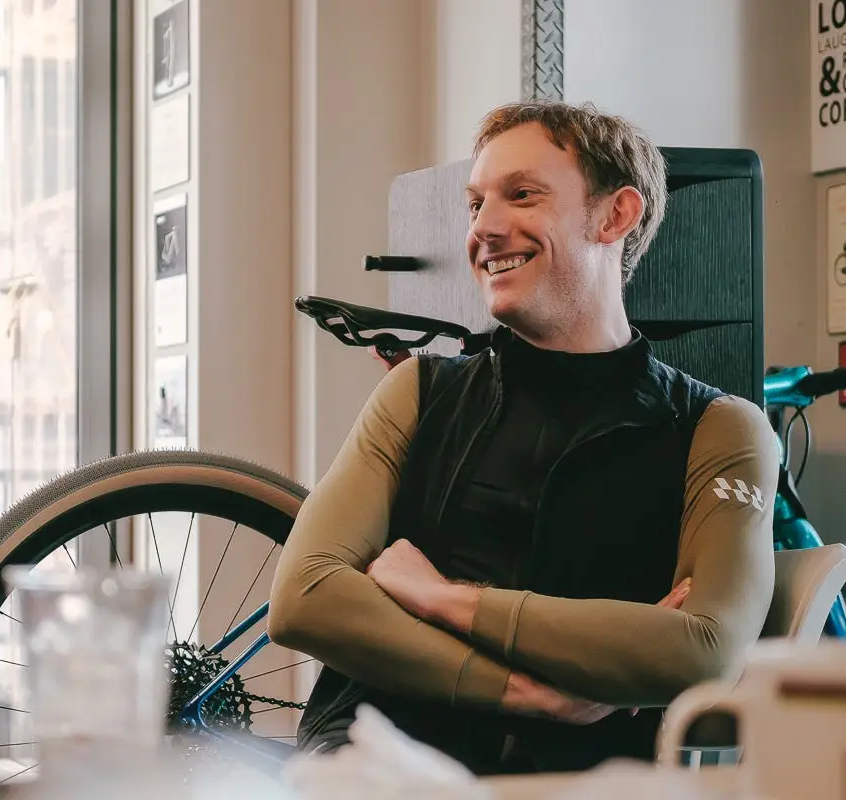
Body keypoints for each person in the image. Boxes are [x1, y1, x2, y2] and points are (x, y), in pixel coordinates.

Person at [266, 100, 779, 775]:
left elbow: (703, 649)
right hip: (380, 767)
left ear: (615, 215)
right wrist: (529, 691)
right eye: (475, 204)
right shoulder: (419, 392)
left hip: (578, 782)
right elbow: (303, 599)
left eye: (521, 195)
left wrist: (443, 597)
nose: (484, 228)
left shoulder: (720, 427)